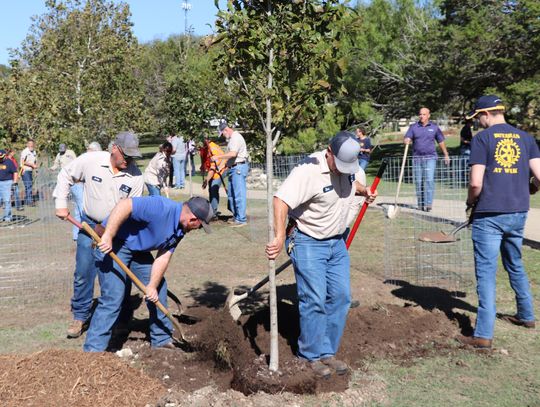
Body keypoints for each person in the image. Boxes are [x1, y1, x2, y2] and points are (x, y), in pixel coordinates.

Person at [265, 131, 377, 378]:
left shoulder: (350, 169)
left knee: (341, 297)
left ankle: (327, 352)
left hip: (337, 242)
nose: (342, 170)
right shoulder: (307, 171)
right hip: (307, 240)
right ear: (329, 152)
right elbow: (280, 201)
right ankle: (310, 355)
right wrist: (280, 236)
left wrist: (364, 191)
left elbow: (352, 184)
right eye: (339, 165)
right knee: (314, 298)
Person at [459, 95, 540, 349]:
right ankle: (526, 316)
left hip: (489, 216)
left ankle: (483, 334)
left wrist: (470, 202)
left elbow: (475, 183)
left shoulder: (482, 139)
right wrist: (531, 189)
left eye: (478, 117)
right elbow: (539, 177)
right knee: (514, 263)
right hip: (518, 212)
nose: (478, 123)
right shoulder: (526, 138)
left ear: (486, 114)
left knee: (486, 272)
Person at [84, 195, 213, 352]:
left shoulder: (180, 229)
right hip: (115, 243)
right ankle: (92, 351)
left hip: (138, 250)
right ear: (194, 219)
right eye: (199, 226)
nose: (196, 229)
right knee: (113, 296)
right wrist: (108, 236)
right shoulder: (160, 207)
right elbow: (125, 205)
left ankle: (161, 338)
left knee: (159, 287)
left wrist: (151, 285)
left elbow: (164, 256)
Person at [53, 131, 144, 338]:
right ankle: (80, 315)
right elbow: (65, 175)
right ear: (114, 149)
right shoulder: (91, 160)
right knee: (83, 273)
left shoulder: (136, 176)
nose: (129, 161)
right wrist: (61, 204)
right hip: (89, 226)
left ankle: (119, 318)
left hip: (118, 231)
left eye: (132, 157)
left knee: (116, 275)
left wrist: (110, 233)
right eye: (126, 155)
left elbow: (133, 208)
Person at [404, 107, 450, 211]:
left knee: (429, 180)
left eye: (424, 114)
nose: (421, 116)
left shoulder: (434, 127)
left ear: (428, 115)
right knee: (419, 181)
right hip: (417, 158)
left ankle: (429, 204)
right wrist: (406, 140)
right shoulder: (413, 127)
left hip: (430, 158)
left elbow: (441, 141)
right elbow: (407, 138)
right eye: (420, 114)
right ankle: (420, 203)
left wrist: (446, 154)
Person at [212, 121, 249, 226]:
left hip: (238, 168)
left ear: (226, 130)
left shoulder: (236, 138)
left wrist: (217, 157)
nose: (223, 136)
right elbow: (229, 156)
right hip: (233, 168)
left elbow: (233, 154)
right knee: (231, 195)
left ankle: (241, 219)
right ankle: (236, 216)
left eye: (222, 133)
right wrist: (222, 166)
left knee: (238, 195)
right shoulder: (232, 139)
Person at [51, 144, 81, 240]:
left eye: (63, 149)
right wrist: (52, 168)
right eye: (60, 150)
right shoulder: (59, 155)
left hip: (72, 177)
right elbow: (56, 164)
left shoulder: (71, 153)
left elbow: (77, 162)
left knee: (78, 205)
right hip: (63, 177)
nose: (62, 151)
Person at [201, 137, 227, 215]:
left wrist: (206, 180)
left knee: (213, 188)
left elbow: (213, 168)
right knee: (211, 189)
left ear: (208, 140)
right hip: (214, 169)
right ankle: (211, 209)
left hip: (221, 169)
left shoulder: (213, 149)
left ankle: (213, 212)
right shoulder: (206, 147)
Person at [0, 150, 19, 222]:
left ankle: (8, 217)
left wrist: (14, 182)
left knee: (7, 200)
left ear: (5, 155)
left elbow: (15, 172)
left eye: (1, 157)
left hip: (7, 183)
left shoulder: (9, 162)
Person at [20, 139, 38, 207]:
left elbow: (35, 161)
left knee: (29, 186)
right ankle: (30, 201)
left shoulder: (34, 151)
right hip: (25, 170)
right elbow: (23, 162)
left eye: (32, 144)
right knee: (28, 186)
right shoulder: (25, 151)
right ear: (27, 144)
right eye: (29, 144)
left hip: (30, 170)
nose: (31, 145)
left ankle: (28, 200)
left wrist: (35, 170)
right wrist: (32, 165)